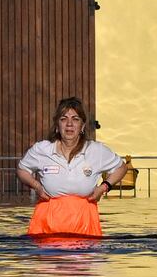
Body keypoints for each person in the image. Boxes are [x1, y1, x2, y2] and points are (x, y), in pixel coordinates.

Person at [16, 97, 128, 237]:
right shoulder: (42, 149)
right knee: (48, 258)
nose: (69, 124)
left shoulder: (96, 150)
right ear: (57, 125)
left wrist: (104, 187)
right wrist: (36, 186)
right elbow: (22, 170)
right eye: (64, 119)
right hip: (47, 228)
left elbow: (121, 168)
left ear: (82, 126)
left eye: (75, 119)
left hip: (85, 227)